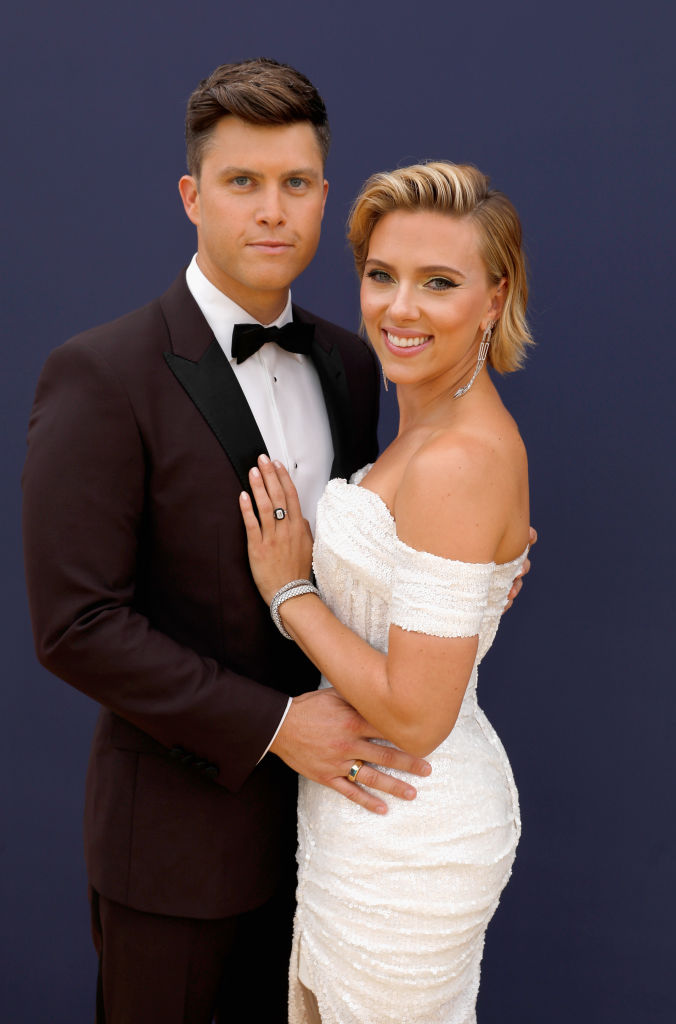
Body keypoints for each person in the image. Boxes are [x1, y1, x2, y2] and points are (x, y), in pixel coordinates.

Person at [21, 59, 443, 1024]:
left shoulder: (351, 362)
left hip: (331, 843)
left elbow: (359, 551)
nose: (271, 211)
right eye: (242, 182)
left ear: (324, 198)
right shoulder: (99, 374)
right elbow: (76, 625)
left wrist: (467, 568)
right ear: (192, 197)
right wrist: (276, 726)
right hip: (173, 852)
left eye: (295, 183)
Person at [239, 160, 533, 1023]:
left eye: (438, 282)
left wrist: (290, 592)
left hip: (409, 821)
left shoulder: (457, 458)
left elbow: (415, 714)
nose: (399, 308)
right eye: (380, 275)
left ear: (493, 296)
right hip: (364, 810)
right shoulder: (424, 425)